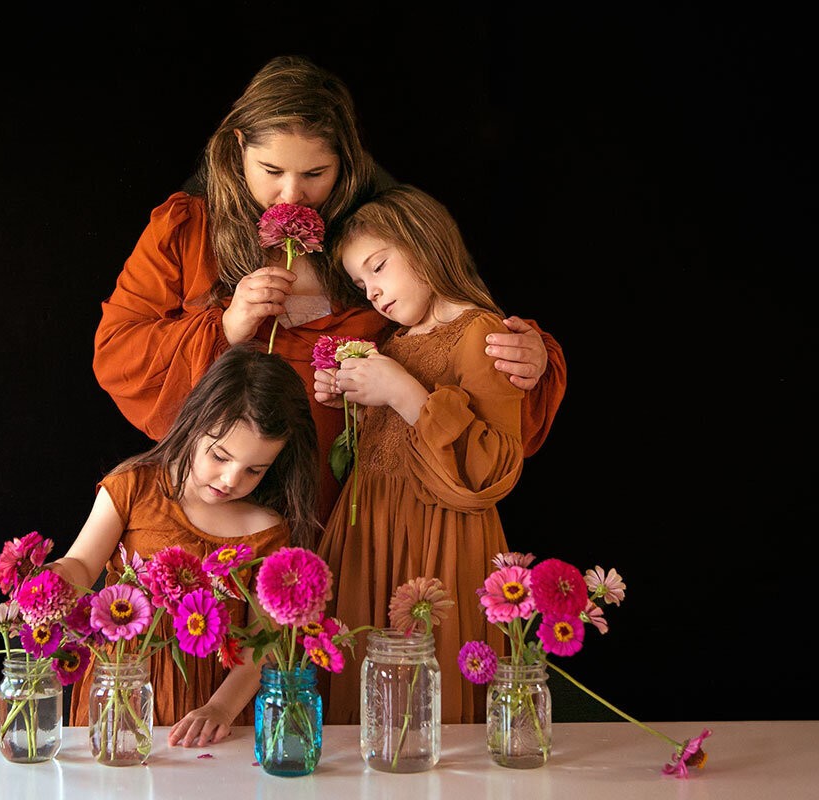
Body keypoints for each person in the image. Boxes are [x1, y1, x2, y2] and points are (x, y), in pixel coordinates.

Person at [91, 56, 567, 525]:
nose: (292, 194)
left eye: (315, 174)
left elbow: (458, 323)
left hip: (359, 508)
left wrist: (530, 355)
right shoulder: (186, 229)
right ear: (238, 146)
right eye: (272, 170)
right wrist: (226, 326)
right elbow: (117, 352)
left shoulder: (380, 235)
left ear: (345, 158)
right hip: (224, 502)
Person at [315, 186, 527, 724]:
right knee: (364, 681)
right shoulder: (395, 342)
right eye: (362, 285)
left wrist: (403, 392)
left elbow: (492, 471)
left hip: (440, 539)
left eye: (379, 267)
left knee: (426, 688)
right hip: (371, 530)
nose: (374, 294)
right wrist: (351, 399)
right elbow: (389, 444)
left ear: (424, 243)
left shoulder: (481, 333)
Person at [49, 344, 319, 746]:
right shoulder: (134, 487)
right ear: (194, 422)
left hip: (213, 714)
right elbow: (81, 565)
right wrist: (50, 582)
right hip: (122, 687)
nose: (231, 479)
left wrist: (221, 709)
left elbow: (264, 643)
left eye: (253, 470)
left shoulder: (267, 531)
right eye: (220, 455)